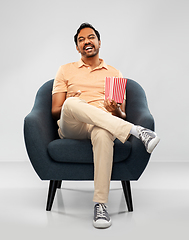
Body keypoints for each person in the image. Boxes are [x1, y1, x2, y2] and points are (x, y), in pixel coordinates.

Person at [51, 23, 160, 229]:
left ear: (99, 42)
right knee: (72, 103)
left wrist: (116, 110)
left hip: (101, 124)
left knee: (102, 132)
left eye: (90, 37)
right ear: (77, 48)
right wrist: (70, 101)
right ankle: (135, 131)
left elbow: (121, 113)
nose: (86, 42)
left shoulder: (113, 73)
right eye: (81, 40)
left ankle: (100, 205)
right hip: (72, 125)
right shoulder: (65, 70)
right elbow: (55, 109)